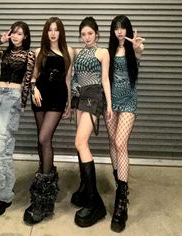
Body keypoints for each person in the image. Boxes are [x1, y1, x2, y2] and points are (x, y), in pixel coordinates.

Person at [0, 21, 35, 217]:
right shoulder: (6, 53)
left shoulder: (29, 55)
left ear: (25, 37)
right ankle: (5, 192)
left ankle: (1, 198)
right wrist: (0, 40)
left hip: (13, 98)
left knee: (0, 147)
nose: (16, 36)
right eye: (14, 33)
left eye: (20, 33)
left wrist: (23, 104)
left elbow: (27, 80)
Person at [23, 17, 74, 225]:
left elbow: (68, 79)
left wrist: (69, 102)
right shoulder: (38, 51)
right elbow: (34, 75)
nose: (53, 33)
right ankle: (44, 182)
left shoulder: (69, 52)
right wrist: (34, 88)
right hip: (40, 97)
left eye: (56, 30)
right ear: (46, 32)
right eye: (50, 30)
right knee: (40, 140)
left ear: (61, 32)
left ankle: (43, 197)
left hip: (57, 99)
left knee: (45, 138)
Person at [70, 16, 113, 227]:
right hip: (78, 97)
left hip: (94, 96)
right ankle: (85, 189)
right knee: (80, 145)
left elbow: (105, 79)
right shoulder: (77, 52)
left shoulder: (103, 52)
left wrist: (110, 105)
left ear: (96, 33)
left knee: (80, 142)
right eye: (83, 34)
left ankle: (95, 202)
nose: (86, 37)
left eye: (90, 33)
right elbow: (73, 75)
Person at [105, 14, 145, 232]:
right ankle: (119, 178)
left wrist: (137, 48)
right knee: (112, 142)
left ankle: (121, 197)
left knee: (121, 144)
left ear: (128, 30)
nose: (120, 32)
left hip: (129, 101)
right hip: (111, 102)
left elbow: (139, 53)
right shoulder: (108, 52)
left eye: (123, 28)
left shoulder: (133, 49)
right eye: (116, 28)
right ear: (113, 31)